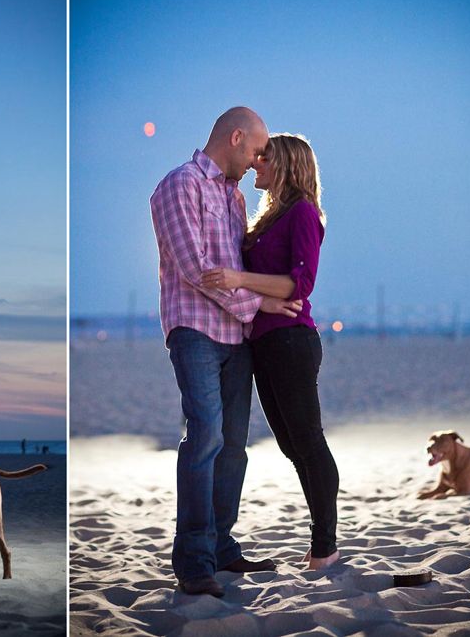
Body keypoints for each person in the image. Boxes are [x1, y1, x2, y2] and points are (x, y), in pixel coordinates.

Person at [149, 108, 303, 597]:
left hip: (237, 336)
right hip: (193, 329)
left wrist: (266, 301)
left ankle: (221, 546)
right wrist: (265, 301)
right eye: (257, 150)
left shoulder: (235, 198)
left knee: (234, 445)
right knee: (205, 436)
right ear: (236, 138)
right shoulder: (179, 184)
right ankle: (193, 560)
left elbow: (236, 265)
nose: (259, 160)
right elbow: (197, 269)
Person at [202, 133, 340, 569]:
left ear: (286, 165)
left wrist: (238, 280)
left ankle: (326, 546)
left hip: (291, 341)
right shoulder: (270, 216)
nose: (257, 163)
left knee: (309, 442)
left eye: (266, 158)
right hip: (265, 343)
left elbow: (300, 285)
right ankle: (321, 542)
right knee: (291, 445)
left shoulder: (302, 213)